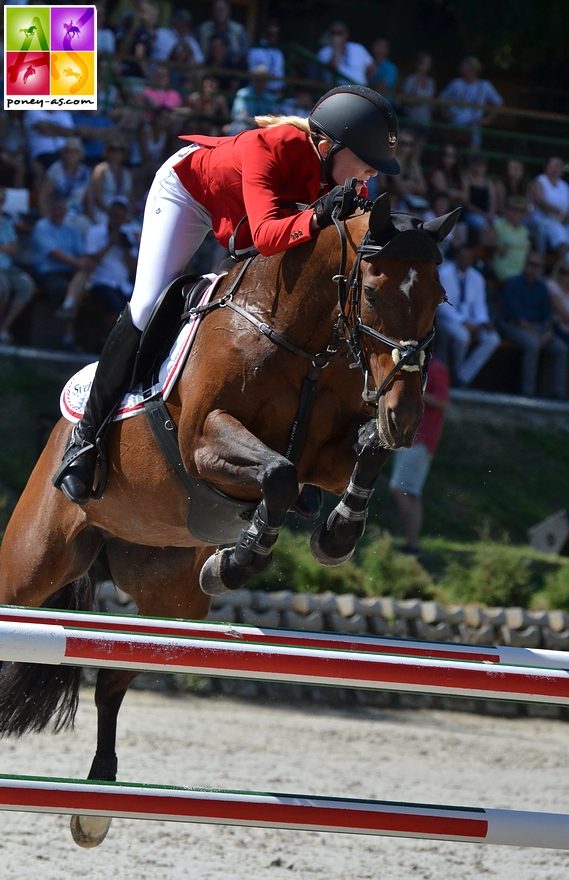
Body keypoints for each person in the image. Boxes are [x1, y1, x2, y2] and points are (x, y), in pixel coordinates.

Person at [52, 84, 401, 504]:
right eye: (366, 163)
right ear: (326, 147)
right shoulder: (267, 148)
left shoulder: (348, 184)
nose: (373, 174)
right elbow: (269, 237)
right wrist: (317, 216)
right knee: (147, 304)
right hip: (188, 195)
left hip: (245, 220)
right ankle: (86, 439)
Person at [389, 356, 450, 556]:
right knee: (411, 493)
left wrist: (416, 391)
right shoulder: (417, 366)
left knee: (400, 490)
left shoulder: (437, 368)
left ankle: (411, 542)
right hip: (410, 437)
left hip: (422, 439)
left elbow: (442, 402)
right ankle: (411, 543)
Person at [500, 252, 568, 398]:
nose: (534, 268)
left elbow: (548, 317)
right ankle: (528, 392)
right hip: (513, 326)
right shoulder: (513, 284)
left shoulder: (542, 288)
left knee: (561, 349)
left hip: (539, 329)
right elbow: (518, 318)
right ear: (525, 265)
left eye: (538, 266)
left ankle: (558, 393)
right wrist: (537, 336)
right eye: (531, 264)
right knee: (532, 345)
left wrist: (548, 333)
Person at [437, 245, 501, 387]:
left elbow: (479, 305)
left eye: (469, 258)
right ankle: (454, 372)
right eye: (463, 257)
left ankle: (463, 376)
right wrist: (463, 322)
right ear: (457, 257)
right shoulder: (444, 274)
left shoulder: (477, 278)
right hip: (449, 319)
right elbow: (444, 304)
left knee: (492, 339)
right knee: (463, 336)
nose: (466, 261)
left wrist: (483, 321)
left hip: (471, 321)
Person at [438, 56, 503, 149]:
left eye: (465, 68)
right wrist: (445, 113)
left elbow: (498, 102)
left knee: (475, 139)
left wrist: (488, 119)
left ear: (473, 70)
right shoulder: (456, 83)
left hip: (473, 126)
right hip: (455, 124)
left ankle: (472, 160)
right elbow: (442, 98)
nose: (462, 70)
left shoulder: (484, 85)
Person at [0, 186, 36, 345]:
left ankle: (4, 328)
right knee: (3, 287)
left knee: (26, 285)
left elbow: (13, 248)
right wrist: (4, 247)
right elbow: (8, 247)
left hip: (8, 267)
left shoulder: (6, 222)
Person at [528, 156, 569, 257]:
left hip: (563, 220)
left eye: (559, 166)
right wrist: (560, 213)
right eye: (554, 165)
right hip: (543, 220)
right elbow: (540, 201)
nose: (556, 168)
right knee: (558, 232)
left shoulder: (564, 186)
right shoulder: (540, 181)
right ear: (547, 167)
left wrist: (565, 217)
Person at [316, 21, 374, 86]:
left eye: (340, 33)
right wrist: (336, 48)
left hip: (359, 89)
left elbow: (371, 68)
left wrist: (364, 82)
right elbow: (334, 66)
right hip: (338, 91)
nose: (337, 36)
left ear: (346, 34)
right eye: (333, 33)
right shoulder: (324, 51)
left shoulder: (358, 47)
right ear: (329, 34)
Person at [197, 0, 249, 70]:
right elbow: (197, 51)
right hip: (207, 67)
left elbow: (244, 51)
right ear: (212, 11)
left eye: (222, 9)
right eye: (217, 9)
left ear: (229, 11)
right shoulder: (203, 29)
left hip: (232, 69)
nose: (220, 12)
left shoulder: (239, 30)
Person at [491, 196, 531, 284]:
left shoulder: (524, 230)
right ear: (507, 210)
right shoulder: (498, 224)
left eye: (520, 210)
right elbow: (486, 240)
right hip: (505, 273)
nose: (516, 212)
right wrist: (496, 245)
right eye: (513, 209)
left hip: (523, 274)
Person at [227, 65, 277, 134]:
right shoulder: (243, 93)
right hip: (245, 127)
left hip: (263, 128)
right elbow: (240, 115)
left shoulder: (269, 98)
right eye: (258, 78)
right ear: (253, 79)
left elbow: (273, 116)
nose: (260, 82)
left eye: (263, 79)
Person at [399, 51, 435, 140]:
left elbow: (431, 102)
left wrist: (416, 99)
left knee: (420, 145)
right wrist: (422, 100)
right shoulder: (410, 79)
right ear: (418, 64)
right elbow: (405, 100)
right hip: (410, 119)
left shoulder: (431, 82)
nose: (426, 66)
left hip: (425, 120)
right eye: (424, 63)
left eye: (428, 63)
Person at [247, 19, 286, 97]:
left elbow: (280, 73)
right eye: (271, 33)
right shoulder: (255, 49)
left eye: (276, 33)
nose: (274, 36)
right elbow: (255, 72)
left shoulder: (278, 51)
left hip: (277, 93)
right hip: (260, 93)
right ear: (264, 32)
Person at [546, 256, 569, 347]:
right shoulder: (552, 285)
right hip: (557, 327)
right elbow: (565, 315)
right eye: (563, 272)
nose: (566, 276)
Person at [367, 37, 399, 103]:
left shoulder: (391, 68)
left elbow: (382, 89)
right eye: (377, 44)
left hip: (382, 104)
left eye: (382, 46)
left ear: (387, 50)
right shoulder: (366, 61)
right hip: (365, 99)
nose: (378, 47)